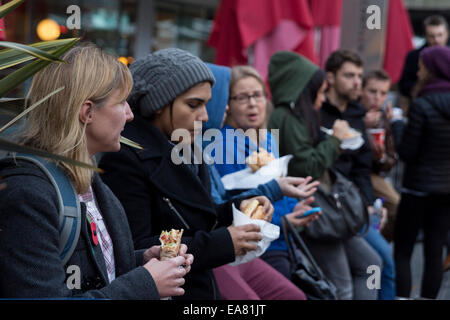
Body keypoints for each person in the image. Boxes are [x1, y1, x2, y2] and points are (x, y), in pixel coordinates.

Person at [0, 45, 193, 299]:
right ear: (87, 111)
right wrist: (145, 284)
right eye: (122, 102)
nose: (130, 114)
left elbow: (90, 272)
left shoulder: (86, 180)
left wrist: (142, 262)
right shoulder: (27, 194)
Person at [99, 48, 274, 300]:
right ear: (158, 105)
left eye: (206, 104)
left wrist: (240, 206)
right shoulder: (125, 157)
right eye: (193, 105)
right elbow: (137, 248)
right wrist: (223, 243)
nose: (204, 116)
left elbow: (200, 216)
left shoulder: (187, 147)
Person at [267, 50, 382, 300]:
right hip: (316, 212)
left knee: (372, 264)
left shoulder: (299, 116)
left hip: (329, 209)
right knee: (342, 287)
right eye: (318, 92)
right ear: (304, 90)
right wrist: (335, 141)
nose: (321, 100)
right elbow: (306, 167)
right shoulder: (285, 118)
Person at [204, 63, 319, 300]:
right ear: (227, 105)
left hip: (282, 241)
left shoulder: (267, 139)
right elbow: (230, 204)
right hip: (257, 248)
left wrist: (294, 209)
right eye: (242, 97)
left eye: (257, 95)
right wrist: (284, 220)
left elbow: (273, 191)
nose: (252, 104)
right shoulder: (222, 145)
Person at [394, 45, 450, 299]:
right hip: (446, 191)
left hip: (416, 189)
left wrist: (396, 125)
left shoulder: (422, 104)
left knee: (403, 250)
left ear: (432, 69)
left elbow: (407, 152)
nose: (418, 72)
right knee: (434, 251)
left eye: (422, 66)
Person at [360, 70, 401, 243]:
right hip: (352, 172)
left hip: (372, 173)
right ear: (361, 90)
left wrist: (381, 157)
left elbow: (391, 161)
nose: (377, 98)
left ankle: (381, 242)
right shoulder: (353, 111)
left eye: (383, 93)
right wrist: (362, 126)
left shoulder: (384, 117)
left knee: (397, 205)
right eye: (372, 91)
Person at [398, 15, 449, 106]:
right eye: (431, 36)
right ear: (425, 35)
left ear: (447, 34)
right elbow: (404, 86)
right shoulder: (413, 57)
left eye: (440, 35)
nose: (436, 40)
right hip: (421, 102)